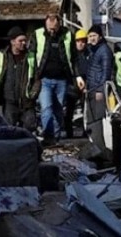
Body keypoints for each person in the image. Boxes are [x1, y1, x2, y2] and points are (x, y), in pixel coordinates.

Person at [29, 13, 82, 146]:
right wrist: (32, 77)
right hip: (44, 79)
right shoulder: (38, 34)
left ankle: (56, 137)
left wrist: (77, 76)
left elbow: (74, 58)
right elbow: (32, 57)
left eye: (54, 28)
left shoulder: (68, 35)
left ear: (59, 25)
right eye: (49, 28)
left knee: (58, 110)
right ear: (45, 24)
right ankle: (48, 137)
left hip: (62, 80)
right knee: (46, 108)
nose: (52, 31)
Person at [0, 26, 36, 130]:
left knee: (29, 127)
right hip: (9, 101)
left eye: (25, 40)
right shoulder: (1, 57)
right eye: (20, 41)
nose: (23, 43)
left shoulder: (30, 57)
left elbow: (37, 77)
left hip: (27, 101)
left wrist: (33, 93)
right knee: (9, 129)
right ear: (12, 42)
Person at [83, 25, 113, 152]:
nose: (92, 38)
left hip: (98, 90)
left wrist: (101, 90)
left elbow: (106, 72)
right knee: (91, 120)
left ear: (100, 36)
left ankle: (100, 149)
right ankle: (94, 147)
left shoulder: (104, 50)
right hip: (91, 89)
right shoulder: (92, 50)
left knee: (97, 120)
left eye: (94, 36)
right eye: (90, 36)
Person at [64, 29, 90, 138]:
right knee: (69, 110)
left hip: (86, 84)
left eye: (83, 41)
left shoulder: (89, 54)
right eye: (78, 41)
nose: (81, 43)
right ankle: (69, 132)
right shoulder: (71, 54)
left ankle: (86, 131)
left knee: (86, 110)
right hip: (72, 84)